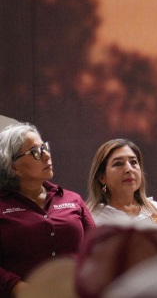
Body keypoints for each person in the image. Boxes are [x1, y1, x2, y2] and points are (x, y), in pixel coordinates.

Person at [0, 122, 94, 298]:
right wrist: (19, 288)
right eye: (35, 152)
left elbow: (97, 249)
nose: (47, 156)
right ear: (13, 167)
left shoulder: (72, 199)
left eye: (45, 148)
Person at [86, 139, 157, 244]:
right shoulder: (90, 218)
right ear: (102, 177)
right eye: (118, 163)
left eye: (133, 162)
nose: (129, 169)